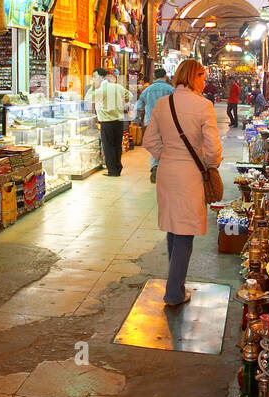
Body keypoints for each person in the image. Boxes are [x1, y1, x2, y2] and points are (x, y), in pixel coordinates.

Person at [141, 59, 223, 307]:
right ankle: (174, 292)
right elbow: (212, 147)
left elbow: (149, 140)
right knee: (185, 232)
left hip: (168, 172)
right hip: (190, 176)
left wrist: (167, 156)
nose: (204, 81)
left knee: (173, 228)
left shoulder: (164, 104)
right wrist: (211, 163)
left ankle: (175, 283)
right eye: (202, 76)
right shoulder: (203, 106)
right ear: (194, 76)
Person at [87, 67, 131, 176]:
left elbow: (87, 98)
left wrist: (93, 86)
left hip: (107, 122)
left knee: (108, 146)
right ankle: (117, 168)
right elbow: (129, 95)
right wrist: (120, 103)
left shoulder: (100, 90)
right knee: (117, 146)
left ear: (102, 77)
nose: (93, 79)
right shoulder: (117, 87)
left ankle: (112, 170)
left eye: (95, 77)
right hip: (119, 121)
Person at [134, 68, 175, 184]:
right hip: (167, 123)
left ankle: (155, 166)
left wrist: (136, 119)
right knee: (167, 145)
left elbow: (138, 106)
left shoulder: (147, 90)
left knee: (154, 145)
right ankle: (164, 168)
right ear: (165, 76)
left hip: (150, 122)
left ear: (154, 77)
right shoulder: (171, 89)